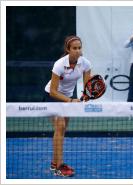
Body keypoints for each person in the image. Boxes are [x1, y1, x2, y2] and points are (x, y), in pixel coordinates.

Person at [44, 35, 92, 176]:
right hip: (52, 97)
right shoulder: (59, 64)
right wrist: (71, 101)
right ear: (68, 49)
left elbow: (87, 87)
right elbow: (53, 91)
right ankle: (60, 167)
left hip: (67, 99)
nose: (78, 51)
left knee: (61, 131)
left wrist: (85, 96)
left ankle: (54, 163)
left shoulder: (85, 63)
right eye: (74, 48)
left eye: (79, 48)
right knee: (61, 126)